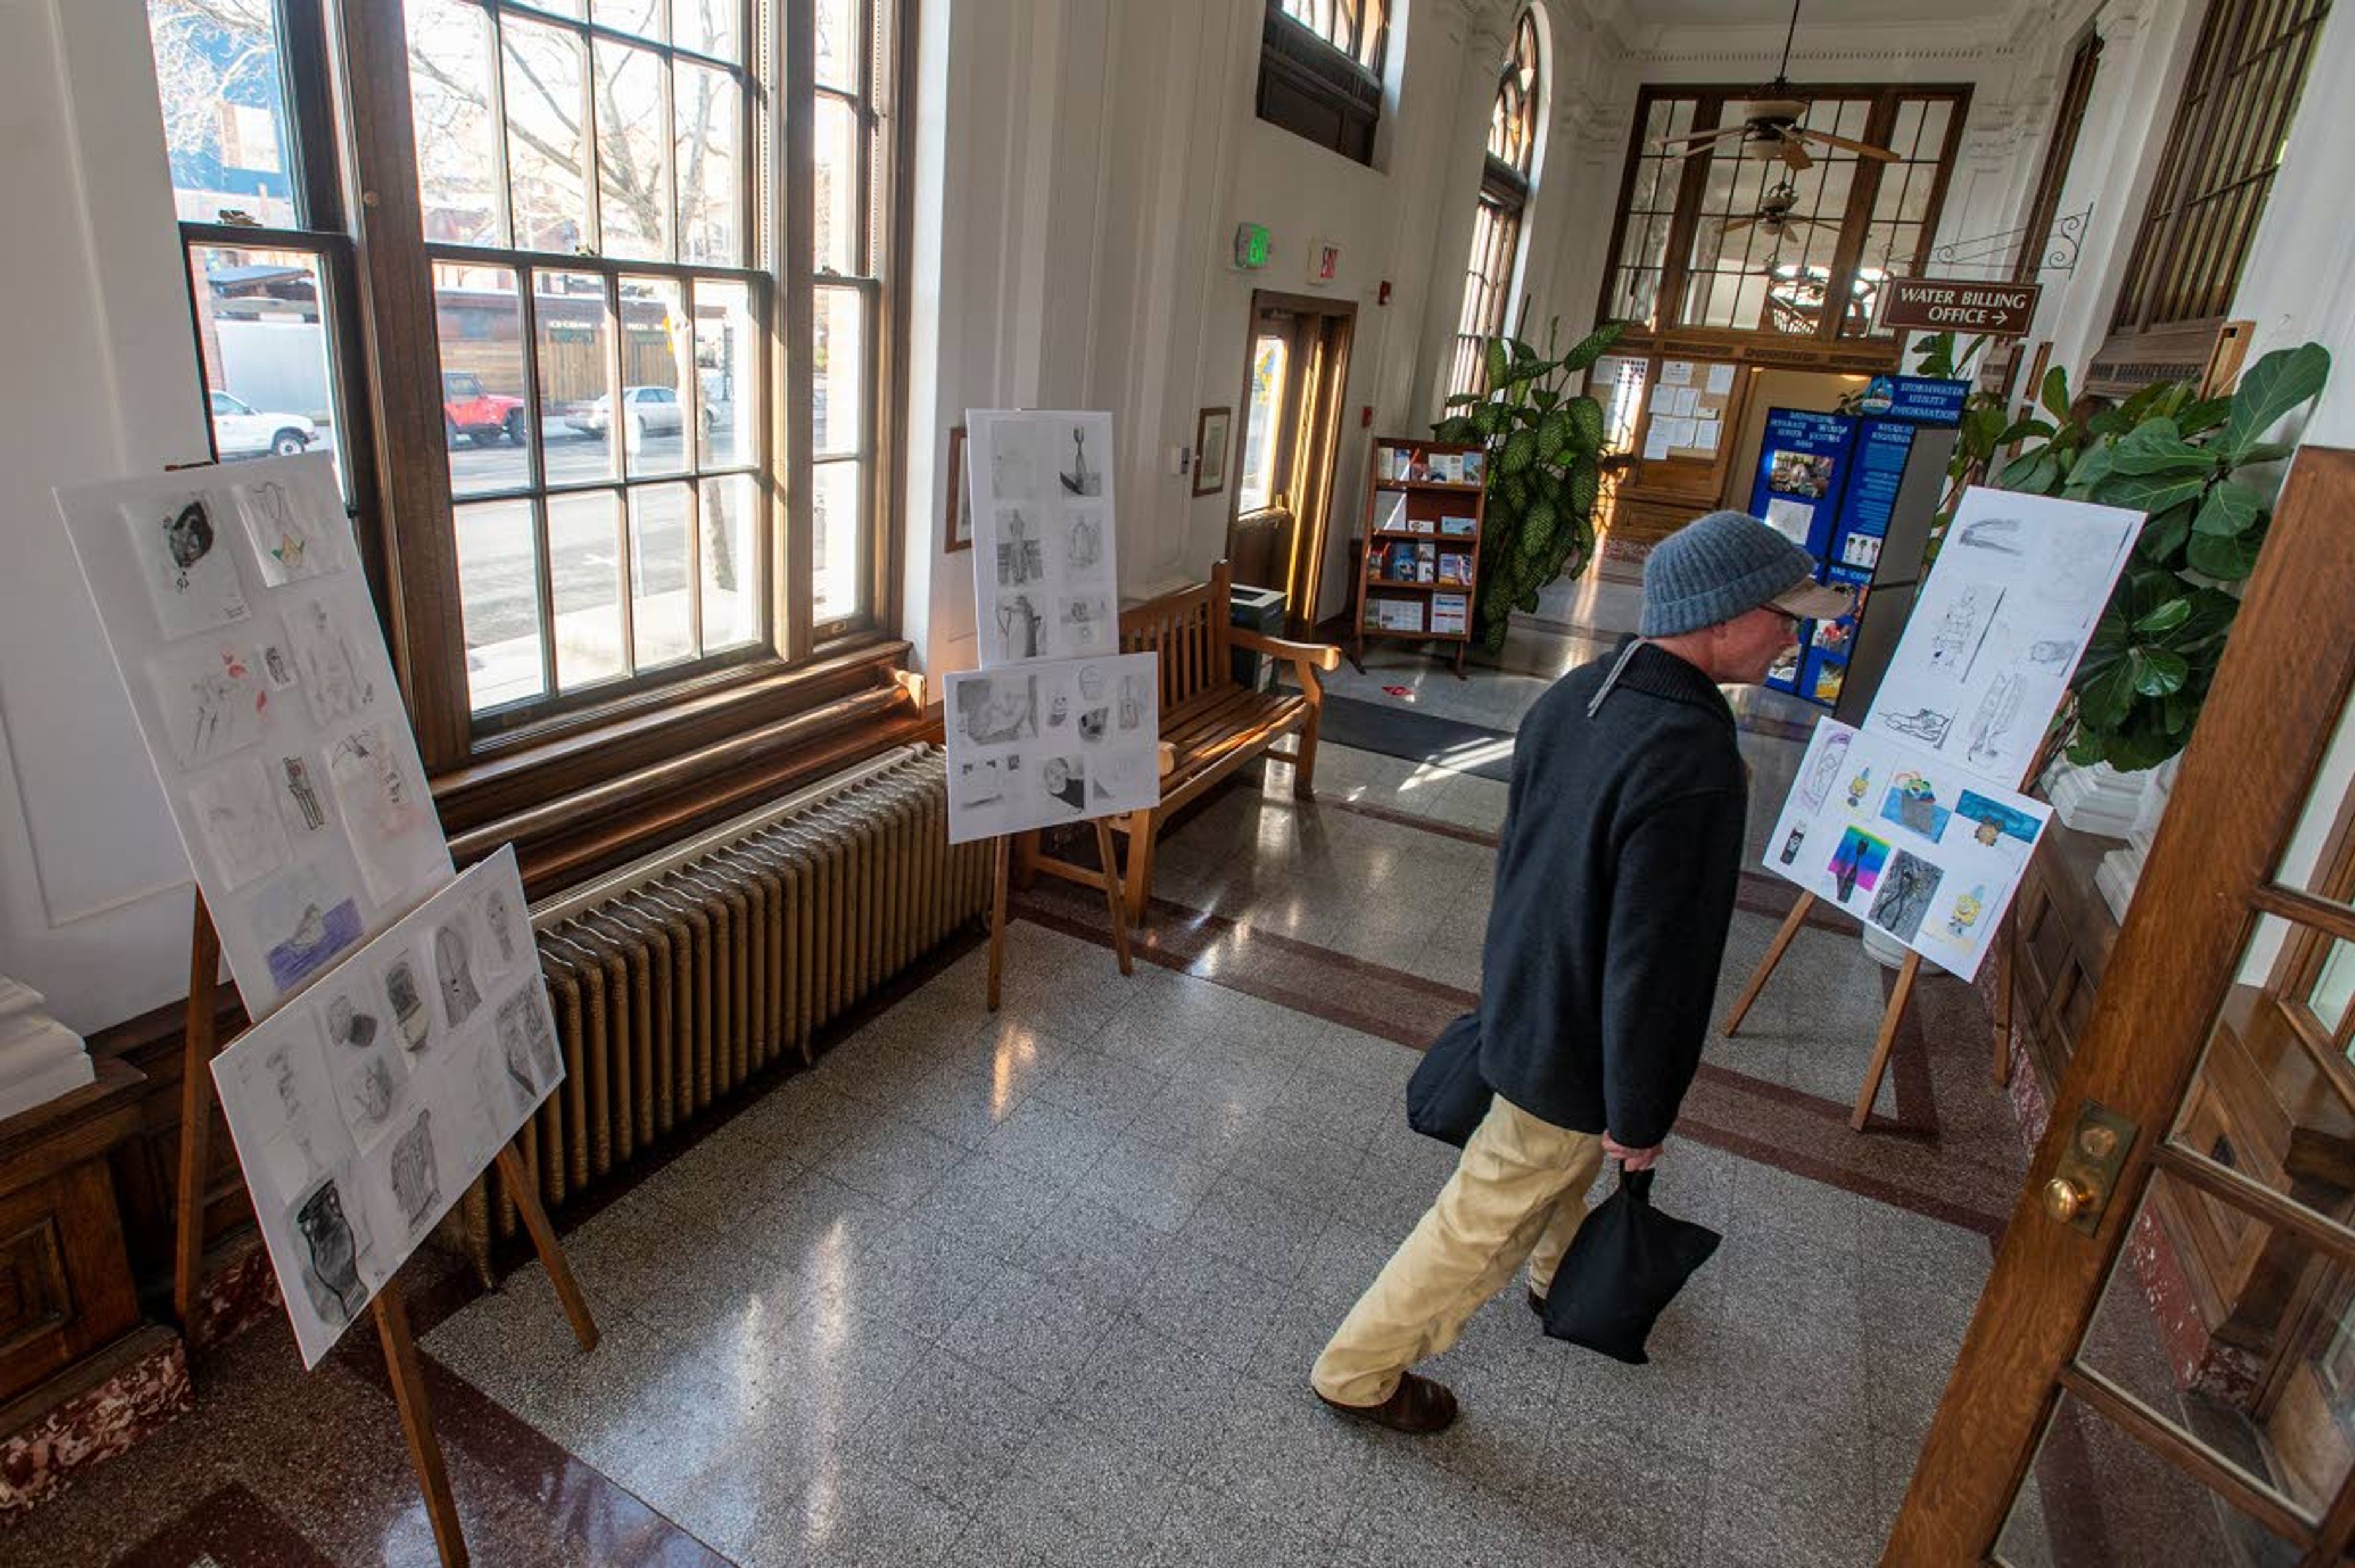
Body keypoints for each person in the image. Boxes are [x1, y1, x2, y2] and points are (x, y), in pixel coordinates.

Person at [1310, 510, 1852, 1433]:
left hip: (1526, 1003)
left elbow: (1525, 868)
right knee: (1480, 1215)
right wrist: (1641, 1114)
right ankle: (1356, 1371)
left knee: (1542, 1171)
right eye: (1782, 614)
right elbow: (1658, 963)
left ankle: (1555, 1272)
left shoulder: (1578, 697)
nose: (1794, 634)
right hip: (1578, 1047)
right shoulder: (1692, 759)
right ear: (1721, 615)